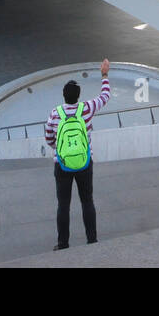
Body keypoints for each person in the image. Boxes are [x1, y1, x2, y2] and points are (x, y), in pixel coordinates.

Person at [45, 59, 112, 250]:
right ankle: (92, 239)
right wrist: (104, 74)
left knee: (63, 205)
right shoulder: (87, 108)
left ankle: (63, 243)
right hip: (85, 162)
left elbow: (49, 138)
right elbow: (105, 96)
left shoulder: (55, 113)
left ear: (64, 96)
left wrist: (59, 150)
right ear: (79, 96)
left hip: (62, 164)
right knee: (87, 201)